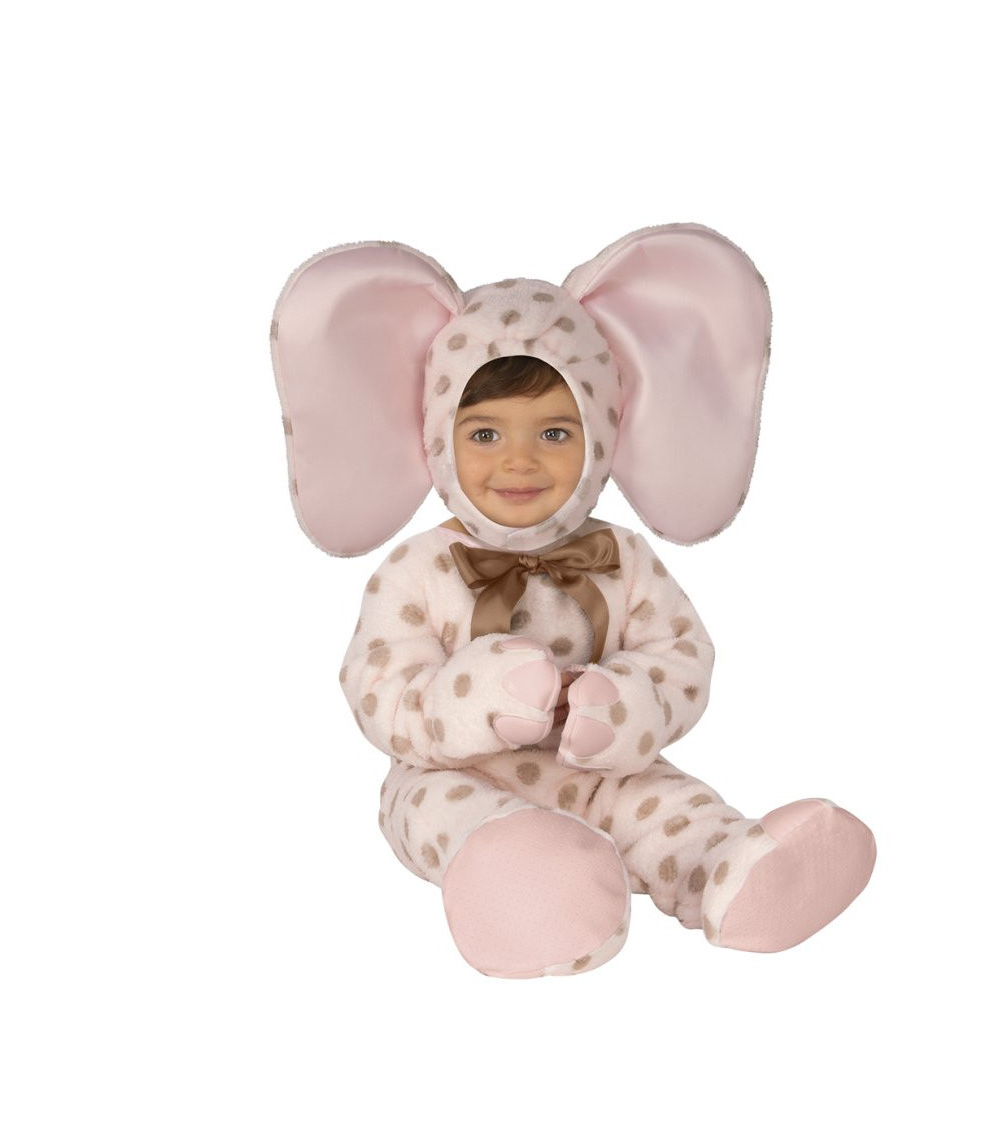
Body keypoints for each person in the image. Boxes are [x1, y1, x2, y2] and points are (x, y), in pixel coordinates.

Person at [273, 225, 877, 978]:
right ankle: (525, 886)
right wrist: (474, 698)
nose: (519, 461)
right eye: (485, 434)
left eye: (555, 432)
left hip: (605, 771)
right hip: (455, 774)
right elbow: (377, 687)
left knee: (668, 805)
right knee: (439, 813)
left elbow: (682, 657)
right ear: (434, 436)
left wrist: (623, 705)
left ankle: (740, 875)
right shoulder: (419, 567)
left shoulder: (623, 558)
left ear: (604, 432)